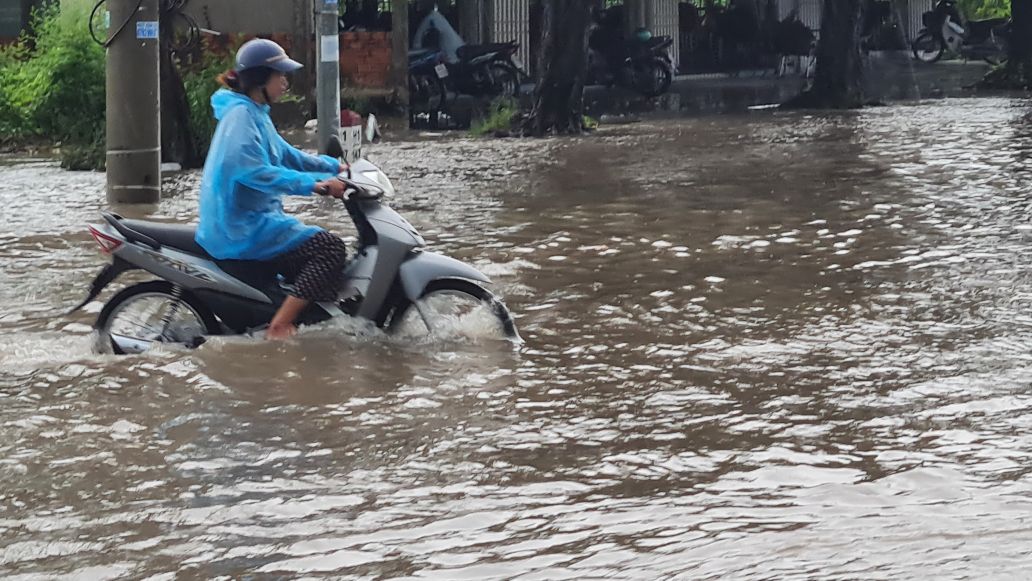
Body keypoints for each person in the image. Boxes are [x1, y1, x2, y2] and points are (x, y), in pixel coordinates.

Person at [195, 38, 350, 340]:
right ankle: (279, 325)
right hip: (242, 229)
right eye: (280, 75)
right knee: (330, 248)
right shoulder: (241, 118)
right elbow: (256, 172)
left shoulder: (254, 113)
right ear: (259, 79)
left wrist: (335, 167)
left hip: (253, 221)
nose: (285, 82)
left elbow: (289, 155)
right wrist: (315, 186)